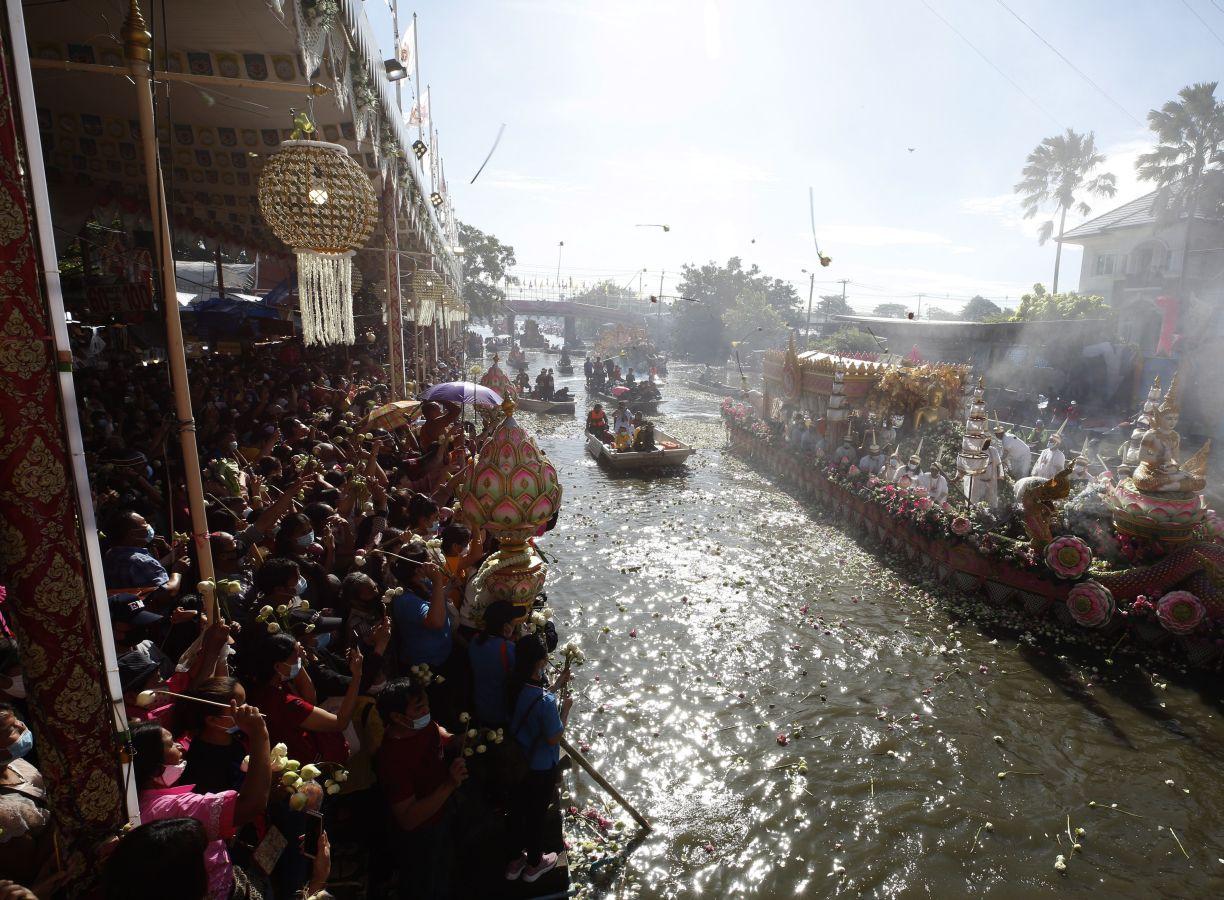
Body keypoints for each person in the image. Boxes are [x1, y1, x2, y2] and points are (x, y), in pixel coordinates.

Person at [131, 697, 271, 900]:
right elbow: (251, 805)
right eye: (171, 745)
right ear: (154, 767)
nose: (180, 747)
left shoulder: (145, 799)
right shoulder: (171, 809)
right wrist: (260, 735)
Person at [376, 678, 467, 900]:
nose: (427, 710)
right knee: (427, 882)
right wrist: (449, 784)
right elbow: (407, 817)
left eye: (427, 704)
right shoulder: (393, 759)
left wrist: (455, 740)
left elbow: (437, 731)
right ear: (397, 717)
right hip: (423, 833)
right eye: (419, 708)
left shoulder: (422, 724)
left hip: (443, 814)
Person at [504, 635, 570, 884]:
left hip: (518, 761)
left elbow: (537, 698)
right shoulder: (547, 702)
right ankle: (534, 864)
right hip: (540, 766)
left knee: (517, 811)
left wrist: (555, 686)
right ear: (542, 661)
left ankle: (514, 862)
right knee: (535, 814)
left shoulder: (513, 685)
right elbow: (554, 738)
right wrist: (566, 710)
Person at [243, 633, 361, 765]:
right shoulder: (285, 702)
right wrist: (357, 677)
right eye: (295, 658)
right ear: (278, 666)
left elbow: (310, 701)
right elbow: (340, 723)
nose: (299, 660)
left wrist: (297, 660)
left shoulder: (268, 686)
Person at [0, 704, 51, 890]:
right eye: (10, 729)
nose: (22, 727)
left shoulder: (18, 764)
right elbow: (27, 869)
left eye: (17, 721)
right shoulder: (4, 812)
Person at [103, 509, 190, 600]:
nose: (149, 526)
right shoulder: (140, 561)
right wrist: (177, 571)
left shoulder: (111, 554)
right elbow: (167, 592)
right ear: (133, 534)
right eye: (144, 523)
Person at [467, 601, 519, 726]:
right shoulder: (508, 648)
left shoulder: (475, 640)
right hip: (500, 710)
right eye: (513, 623)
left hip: (479, 703)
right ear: (506, 627)